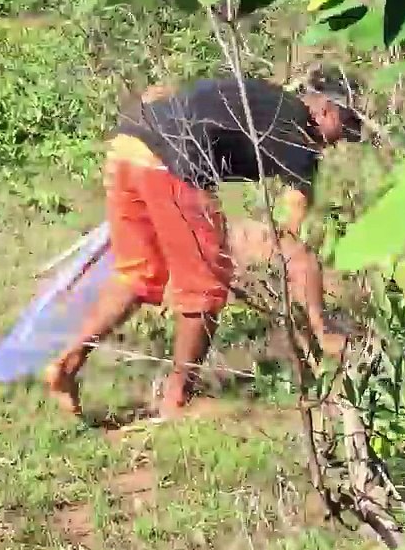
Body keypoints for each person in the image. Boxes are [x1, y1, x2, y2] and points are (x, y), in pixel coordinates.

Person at [43, 70, 364, 419]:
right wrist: (320, 326)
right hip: (172, 161)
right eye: (346, 128)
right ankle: (177, 399)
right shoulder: (299, 130)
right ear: (326, 111)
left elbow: (169, 94)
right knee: (205, 286)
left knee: (138, 275)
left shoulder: (266, 98)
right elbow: (293, 233)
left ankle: (67, 363)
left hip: (130, 143)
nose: (341, 141)